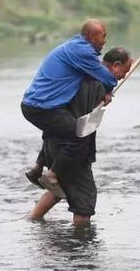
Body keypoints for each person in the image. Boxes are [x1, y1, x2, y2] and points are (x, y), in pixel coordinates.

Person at [26, 48, 133, 225]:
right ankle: (80, 246)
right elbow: (83, 121)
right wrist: (103, 93)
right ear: (116, 65)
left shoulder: (79, 74)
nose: (123, 76)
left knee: (61, 186)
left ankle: (33, 222)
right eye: (125, 71)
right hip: (71, 148)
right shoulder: (96, 82)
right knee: (84, 199)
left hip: (52, 143)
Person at [21, 19, 115, 195]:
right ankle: (52, 175)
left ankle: (37, 168)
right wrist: (108, 90)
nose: (105, 41)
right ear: (92, 36)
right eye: (103, 36)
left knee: (56, 130)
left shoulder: (74, 45)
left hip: (33, 105)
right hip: (42, 108)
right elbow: (108, 78)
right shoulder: (83, 52)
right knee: (81, 134)